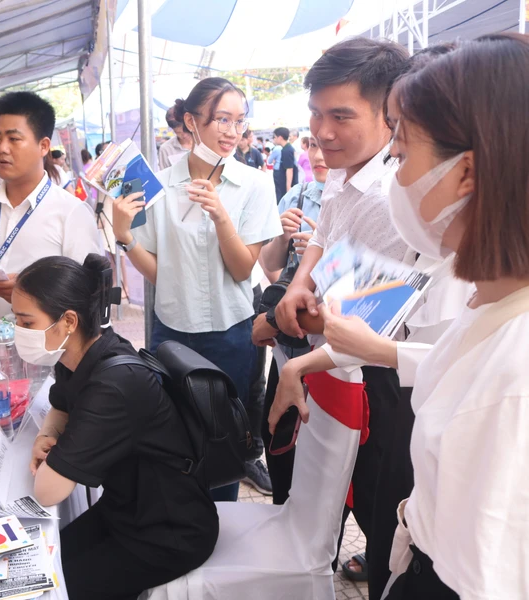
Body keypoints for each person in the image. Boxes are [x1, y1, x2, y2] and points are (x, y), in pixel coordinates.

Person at [275, 34, 529, 599]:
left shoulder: (511, 374)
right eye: (315, 115)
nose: (322, 133)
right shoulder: (490, 308)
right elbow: (337, 247)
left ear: (466, 174)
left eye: (401, 151)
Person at [273, 36, 411, 585]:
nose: (322, 132)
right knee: (337, 484)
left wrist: (298, 350)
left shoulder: (393, 197)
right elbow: (326, 236)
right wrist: (298, 285)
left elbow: (370, 323)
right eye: (314, 114)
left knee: (381, 496)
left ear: (390, 115)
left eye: (340, 116)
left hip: (375, 375)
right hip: (332, 355)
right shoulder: (342, 169)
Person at [112, 77, 281, 501]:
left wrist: (221, 216)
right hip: (173, 332)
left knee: (224, 440)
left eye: (239, 121)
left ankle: (221, 521)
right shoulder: (151, 184)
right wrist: (124, 236)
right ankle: (182, 519)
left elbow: (244, 270)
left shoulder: (255, 184)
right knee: (176, 435)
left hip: (232, 333)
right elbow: (157, 272)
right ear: (191, 121)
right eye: (221, 119)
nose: (232, 131)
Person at [18, 254, 218, 600]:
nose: (16, 331)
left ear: (67, 321)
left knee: (55, 588)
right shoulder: (78, 353)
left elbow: (48, 492)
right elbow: (61, 406)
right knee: (37, 564)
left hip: (168, 532)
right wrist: (48, 435)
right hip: (125, 510)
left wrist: (54, 456)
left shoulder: (113, 384)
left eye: (25, 321)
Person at [0, 91, 101, 338]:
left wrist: (31, 290)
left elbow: (89, 288)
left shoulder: (71, 212)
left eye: (14, 139)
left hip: (47, 349)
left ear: (43, 146)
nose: (1, 148)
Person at [252, 137, 325, 503]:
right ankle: (283, 508)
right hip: (288, 344)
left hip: (330, 346)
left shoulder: (362, 200)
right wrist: (282, 236)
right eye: (312, 143)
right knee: (279, 433)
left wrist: (318, 249)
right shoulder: (297, 195)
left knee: (323, 446)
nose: (320, 153)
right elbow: (270, 266)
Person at [272, 127, 299, 201]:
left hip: (286, 185)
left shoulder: (287, 150)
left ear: (280, 137)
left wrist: (288, 187)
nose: (274, 139)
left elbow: (289, 169)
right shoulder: (285, 149)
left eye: (275, 137)